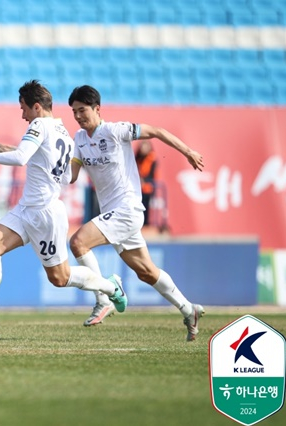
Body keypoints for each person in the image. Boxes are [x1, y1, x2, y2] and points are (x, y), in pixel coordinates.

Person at [0, 80, 127, 334]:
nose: (23, 115)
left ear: (36, 107)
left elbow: (20, 157)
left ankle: (110, 286)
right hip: (28, 207)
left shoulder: (39, 124)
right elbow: (60, 174)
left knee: (59, 278)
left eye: (23, 108)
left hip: (45, 214)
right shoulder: (64, 135)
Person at [67, 85, 205, 341]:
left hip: (127, 210)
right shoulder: (79, 139)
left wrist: (188, 152)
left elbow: (157, 131)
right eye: (74, 111)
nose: (77, 116)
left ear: (97, 109)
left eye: (82, 110)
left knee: (78, 243)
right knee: (146, 272)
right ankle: (189, 309)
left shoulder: (115, 130)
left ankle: (104, 296)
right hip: (113, 215)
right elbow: (72, 176)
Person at [135, 139, 158, 227]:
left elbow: (153, 174)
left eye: (146, 146)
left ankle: (145, 225)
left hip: (147, 188)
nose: (143, 148)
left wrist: (144, 180)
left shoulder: (152, 158)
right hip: (137, 189)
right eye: (142, 146)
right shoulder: (137, 157)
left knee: (145, 208)